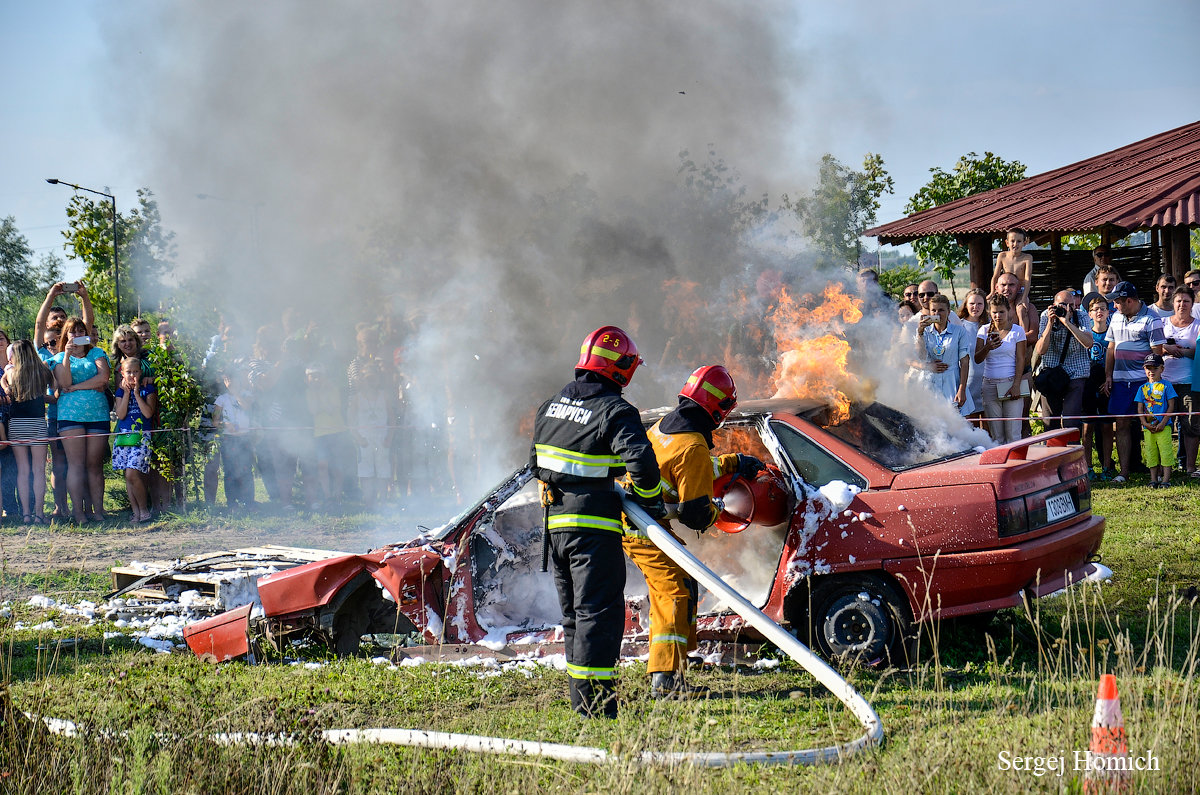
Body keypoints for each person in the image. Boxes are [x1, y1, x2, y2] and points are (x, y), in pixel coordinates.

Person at [530, 325, 664, 719]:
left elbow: (537, 462)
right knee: (599, 617)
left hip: (556, 530)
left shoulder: (550, 406)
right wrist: (650, 504)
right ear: (621, 368)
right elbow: (641, 463)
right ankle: (598, 708)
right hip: (593, 530)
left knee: (575, 618)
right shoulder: (616, 410)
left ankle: (581, 706)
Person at [623, 365, 761, 699]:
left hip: (640, 519)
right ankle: (666, 680)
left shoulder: (668, 426)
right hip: (642, 526)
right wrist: (718, 507)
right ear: (719, 410)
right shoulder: (692, 446)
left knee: (684, 582)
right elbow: (695, 515)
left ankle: (676, 664)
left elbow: (689, 471)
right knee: (674, 592)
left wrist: (734, 463)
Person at [49, 318, 111, 522]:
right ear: (66, 335)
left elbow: (103, 378)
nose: (76, 335)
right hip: (70, 416)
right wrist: (66, 354)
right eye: (72, 332)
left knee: (94, 465)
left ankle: (98, 512)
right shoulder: (59, 357)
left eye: (80, 330)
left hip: (97, 414)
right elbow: (64, 381)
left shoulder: (97, 353)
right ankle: (78, 512)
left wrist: (75, 387)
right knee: (75, 464)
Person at [1104, 281, 1166, 483]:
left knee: (1152, 424)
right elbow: (1111, 348)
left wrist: (1152, 383)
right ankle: (1124, 472)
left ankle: (1155, 473)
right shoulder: (1115, 318)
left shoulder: (1152, 319)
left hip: (1143, 383)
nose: (1114, 306)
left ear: (1129, 300)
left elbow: (1157, 354)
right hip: (1121, 382)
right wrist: (1108, 376)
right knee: (1121, 424)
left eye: (1117, 302)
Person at [1, 341, 52, 523]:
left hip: (17, 424)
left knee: (22, 471)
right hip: (37, 423)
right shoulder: (43, 370)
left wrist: (6, 387)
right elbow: (54, 391)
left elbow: (3, 379)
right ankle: (39, 513)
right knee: (39, 470)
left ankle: (26, 514)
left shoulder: (11, 372)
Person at [1033, 290, 1092, 431]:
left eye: (1071, 305)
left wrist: (1067, 322)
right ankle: (1053, 452)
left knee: (1071, 423)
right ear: (1054, 305)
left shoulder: (1081, 316)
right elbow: (1041, 350)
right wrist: (1050, 323)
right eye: (1062, 305)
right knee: (1050, 424)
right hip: (1052, 372)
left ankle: (1072, 450)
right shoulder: (1045, 316)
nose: (1066, 309)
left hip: (1076, 371)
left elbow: (1088, 343)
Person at [975, 295, 1028, 444]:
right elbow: (977, 358)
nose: (998, 316)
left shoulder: (1017, 331)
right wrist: (987, 347)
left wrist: (1016, 385)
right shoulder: (983, 331)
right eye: (994, 312)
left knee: (1013, 434)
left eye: (1001, 312)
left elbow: (1021, 359)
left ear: (1009, 311)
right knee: (997, 436)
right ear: (989, 313)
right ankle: (1001, 466)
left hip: (1010, 383)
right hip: (990, 384)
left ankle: (1016, 466)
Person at [112, 357, 158, 522]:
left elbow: (148, 413)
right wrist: (126, 394)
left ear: (141, 372)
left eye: (135, 372)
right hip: (125, 435)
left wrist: (137, 393)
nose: (132, 376)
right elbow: (121, 414)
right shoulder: (120, 391)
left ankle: (144, 509)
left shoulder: (148, 389)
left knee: (133, 473)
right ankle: (136, 512)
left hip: (141, 435)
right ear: (122, 374)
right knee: (128, 476)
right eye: (128, 372)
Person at [1161, 286, 1200, 476]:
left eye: (1186, 301)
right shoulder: (1162, 323)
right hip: (1164, 382)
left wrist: (1181, 351)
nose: (1182, 304)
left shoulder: (1198, 325)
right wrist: (1166, 349)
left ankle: (1190, 467)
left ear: (1192, 304)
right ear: (1172, 303)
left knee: (1191, 424)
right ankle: (1162, 467)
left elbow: (1199, 351)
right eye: (1178, 301)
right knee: (1161, 424)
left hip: (1188, 382)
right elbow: (1154, 349)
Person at [915, 294, 973, 415]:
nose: (937, 313)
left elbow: (965, 362)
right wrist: (919, 333)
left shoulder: (959, 331)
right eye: (934, 310)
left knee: (957, 425)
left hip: (952, 381)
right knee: (933, 426)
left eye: (941, 310)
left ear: (948, 311)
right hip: (931, 382)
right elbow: (920, 356)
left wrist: (962, 389)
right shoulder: (925, 331)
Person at [348, 360, 394, 507]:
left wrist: (389, 437)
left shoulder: (384, 396)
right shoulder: (357, 398)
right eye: (368, 378)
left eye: (373, 378)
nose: (371, 382)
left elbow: (392, 419)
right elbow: (351, 421)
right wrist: (358, 438)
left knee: (383, 469)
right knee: (365, 470)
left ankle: (383, 500)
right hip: (365, 439)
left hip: (382, 438)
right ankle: (369, 501)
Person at [1080, 293, 1115, 479]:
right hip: (1088, 383)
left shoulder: (1112, 332)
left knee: (1107, 426)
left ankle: (1107, 466)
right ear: (1089, 314)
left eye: (1102, 308)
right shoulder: (1086, 333)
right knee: (1087, 427)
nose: (1099, 312)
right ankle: (1088, 467)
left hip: (1107, 382)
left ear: (1108, 312)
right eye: (1095, 309)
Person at [213, 363, 256, 508]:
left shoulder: (247, 394)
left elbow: (247, 407)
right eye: (227, 380)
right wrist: (225, 425)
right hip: (228, 439)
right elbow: (215, 421)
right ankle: (232, 503)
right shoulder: (221, 399)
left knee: (246, 469)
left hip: (244, 437)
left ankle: (248, 502)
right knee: (230, 471)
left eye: (233, 379)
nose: (230, 382)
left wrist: (236, 393)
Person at [1135, 354, 1177, 488]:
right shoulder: (1142, 388)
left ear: (1162, 369)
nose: (1151, 371)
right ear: (1144, 369)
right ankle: (1153, 479)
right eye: (1148, 368)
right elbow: (1140, 408)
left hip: (1164, 427)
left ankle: (1165, 480)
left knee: (1166, 452)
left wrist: (1164, 422)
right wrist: (1144, 423)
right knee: (1151, 453)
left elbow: (1171, 406)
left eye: (1155, 368)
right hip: (1148, 428)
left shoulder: (1167, 385)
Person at [957, 288, 988, 422]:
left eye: (979, 304)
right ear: (966, 305)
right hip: (968, 382)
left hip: (987, 381)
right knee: (971, 424)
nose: (975, 307)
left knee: (989, 425)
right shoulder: (959, 326)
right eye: (972, 303)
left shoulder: (991, 325)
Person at [991, 228, 1033, 298]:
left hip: (1020, 290)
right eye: (1012, 241)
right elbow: (995, 276)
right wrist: (992, 291)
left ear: (1024, 243)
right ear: (1007, 243)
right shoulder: (1002, 256)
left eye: (1019, 241)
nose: (1015, 244)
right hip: (1006, 289)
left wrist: (1024, 297)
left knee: (1021, 308)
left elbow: (1027, 278)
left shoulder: (1027, 258)